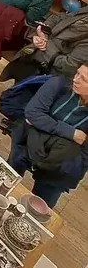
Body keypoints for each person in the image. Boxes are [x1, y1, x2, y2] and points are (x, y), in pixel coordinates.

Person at [7, 65, 88, 207]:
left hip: (60, 160)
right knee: (7, 178)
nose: (76, 79)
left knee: (41, 205)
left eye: (84, 79)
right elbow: (33, 113)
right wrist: (71, 133)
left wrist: (46, 124)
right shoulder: (60, 84)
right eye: (77, 73)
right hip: (31, 141)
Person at [1, 6, 88, 85]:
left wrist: (46, 45)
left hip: (47, 77)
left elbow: (69, 66)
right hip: (31, 59)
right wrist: (43, 34)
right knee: (13, 91)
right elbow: (58, 17)